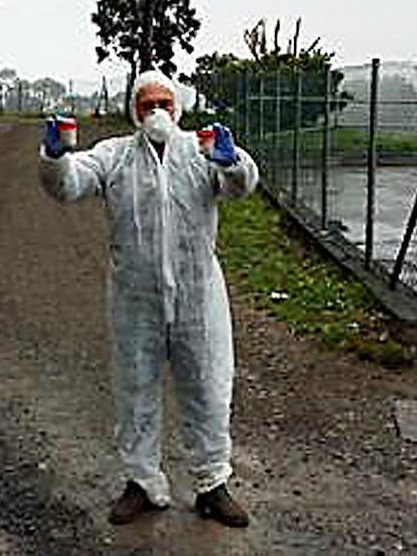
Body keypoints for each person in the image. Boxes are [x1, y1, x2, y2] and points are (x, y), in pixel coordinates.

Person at [38, 70, 259, 528]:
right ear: (133, 110)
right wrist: (57, 156)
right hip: (135, 298)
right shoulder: (114, 155)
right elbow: (68, 184)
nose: (155, 111)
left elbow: (240, 187)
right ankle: (141, 482)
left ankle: (212, 485)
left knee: (209, 387)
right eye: (146, 104)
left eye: (163, 102)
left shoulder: (201, 153)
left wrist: (232, 160)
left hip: (198, 294)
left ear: (177, 107)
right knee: (135, 388)